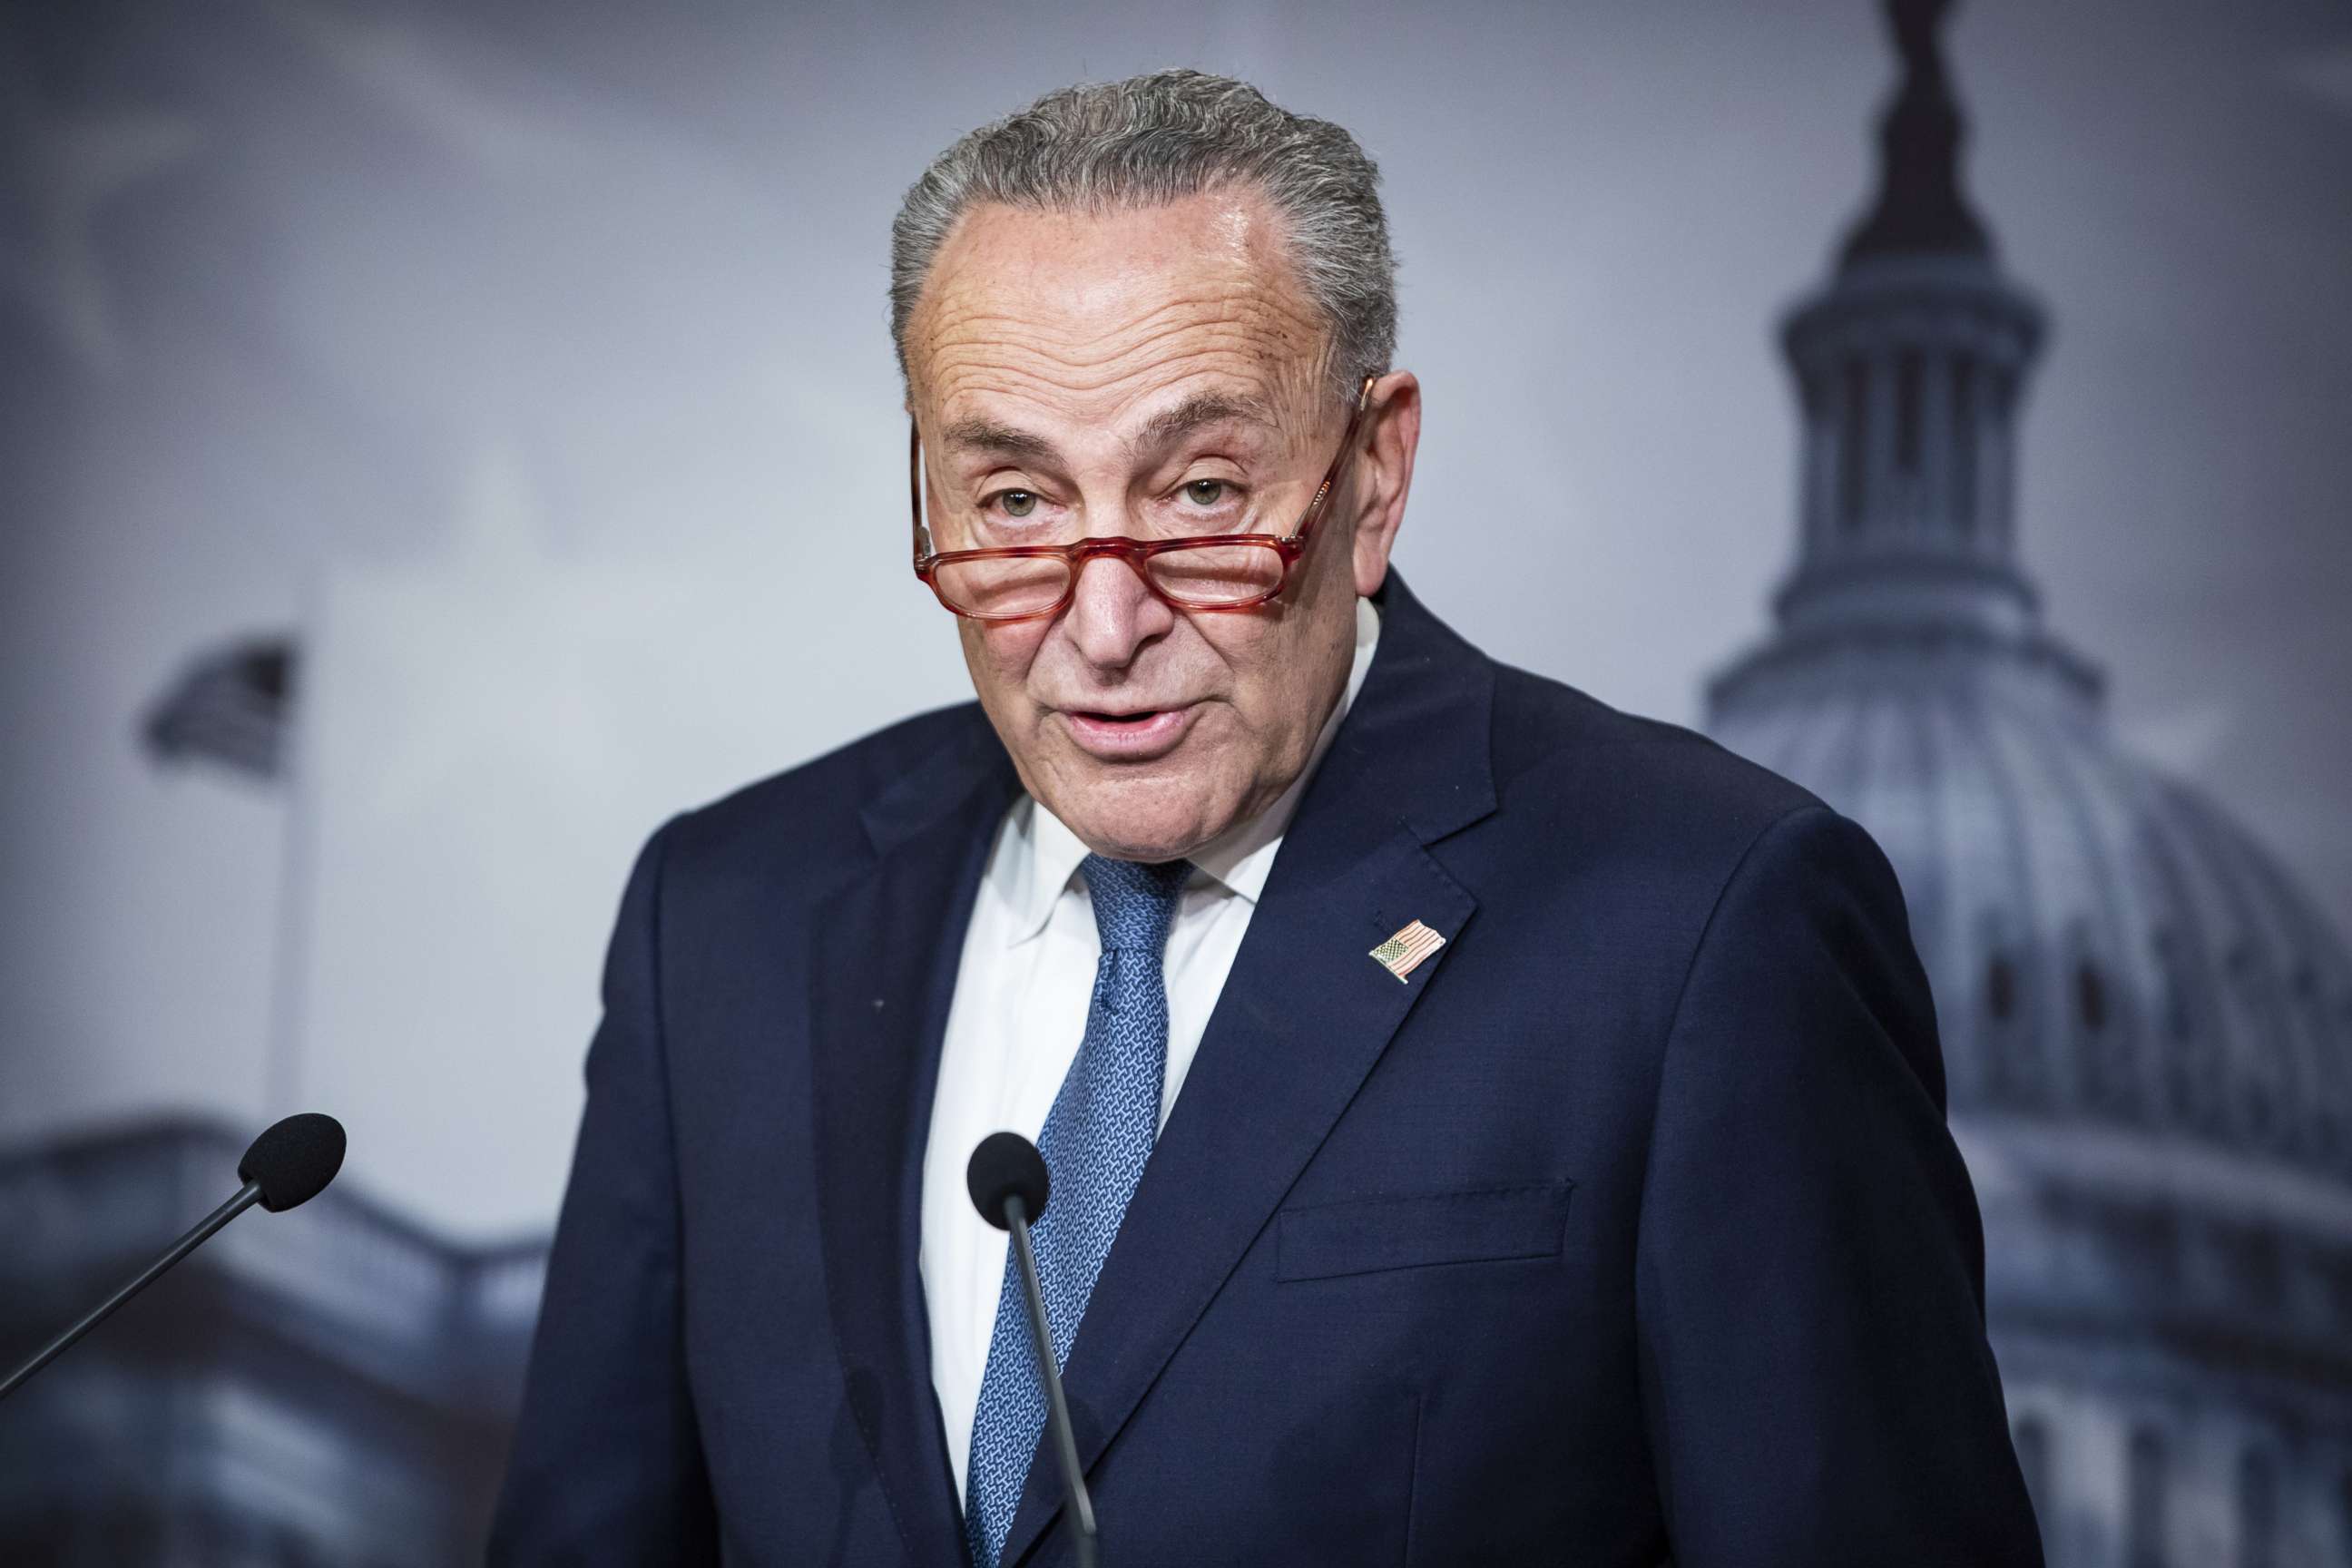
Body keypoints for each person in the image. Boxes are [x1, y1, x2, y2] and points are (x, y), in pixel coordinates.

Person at [489, 69, 2043, 1567]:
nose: (1102, 627)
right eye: (1017, 504)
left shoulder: (1700, 924)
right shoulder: (729, 920)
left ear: (1373, 476)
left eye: (1200, 494)